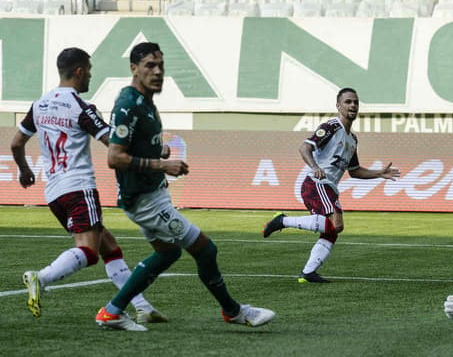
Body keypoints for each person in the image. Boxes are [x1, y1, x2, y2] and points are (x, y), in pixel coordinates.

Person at [94, 42, 275, 331]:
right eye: (149, 66)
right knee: (206, 250)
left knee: (168, 252)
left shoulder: (145, 101)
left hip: (148, 195)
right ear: (133, 69)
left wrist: (159, 152)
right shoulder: (128, 104)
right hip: (146, 202)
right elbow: (114, 157)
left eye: (161, 65)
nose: (157, 72)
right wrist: (161, 165)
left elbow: (136, 146)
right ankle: (233, 311)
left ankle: (113, 311)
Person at [10, 47, 165, 324]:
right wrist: (155, 153)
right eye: (90, 71)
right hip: (79, 187)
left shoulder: (40, 104)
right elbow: (113, 143)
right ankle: (41, 278)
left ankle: (143, 307)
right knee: (89, 251)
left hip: (55, 192)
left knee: (110, 249)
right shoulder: (81, 108)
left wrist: (25, 171)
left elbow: (16, 142)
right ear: (79, 71)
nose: (90, 76)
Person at [263, 87, 401, 283]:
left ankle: (308, 272)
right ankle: (282, 221)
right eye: (348, 102)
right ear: (338, 106)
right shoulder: (330, 127)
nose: (352, 105)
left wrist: (379, 173)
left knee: (332, 230)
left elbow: (354, 171)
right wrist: (314, 166)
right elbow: (304, 148)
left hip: (330, 187)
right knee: (336, 224)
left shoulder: (352, 140)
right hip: (316, 182)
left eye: (355, 102)